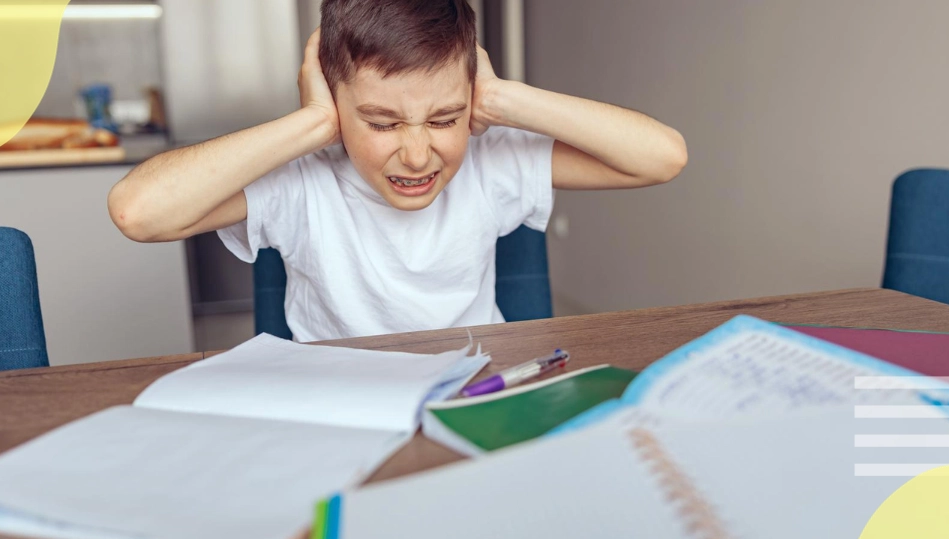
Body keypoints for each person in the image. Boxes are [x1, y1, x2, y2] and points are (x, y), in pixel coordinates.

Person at [109, 0, 687, 342]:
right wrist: (314, 123)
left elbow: (662, 157)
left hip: (475, 393)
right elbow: (139, 212)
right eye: (382, 124)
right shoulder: (301, 179)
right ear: (337, 107)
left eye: (444, 119)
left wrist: (502, 99)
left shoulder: (493, 159)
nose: (416, 156)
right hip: (341, 412)